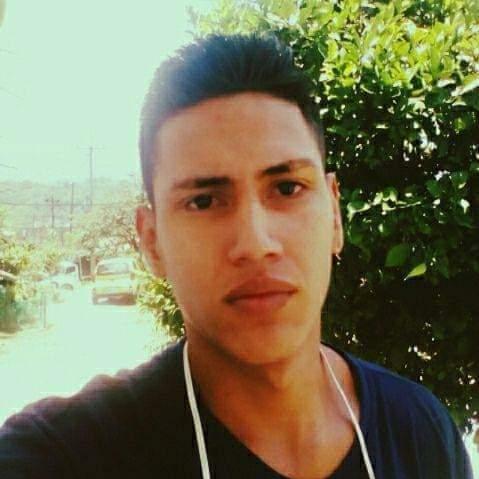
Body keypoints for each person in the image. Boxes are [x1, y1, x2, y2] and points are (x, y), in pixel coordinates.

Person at [0, 34, 472, 479]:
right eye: (204, 201)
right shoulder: (67, 454)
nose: (256, 243)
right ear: (152, 241)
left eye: (287, 188)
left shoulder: (420, 430)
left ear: (334, 214)